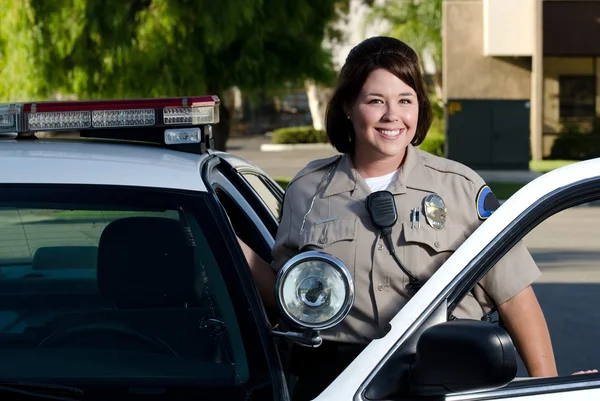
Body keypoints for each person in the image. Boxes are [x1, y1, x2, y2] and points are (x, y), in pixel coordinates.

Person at [268, 36, 558, 400]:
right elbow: (286, 293)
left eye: (405, 100)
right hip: (339, 381)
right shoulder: (307, 191)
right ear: (347, 106)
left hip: (449, 379)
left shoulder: (461, 188)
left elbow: (515, 296)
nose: (393, 115)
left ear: (419, 107)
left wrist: (547, 389)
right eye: (376, 101)